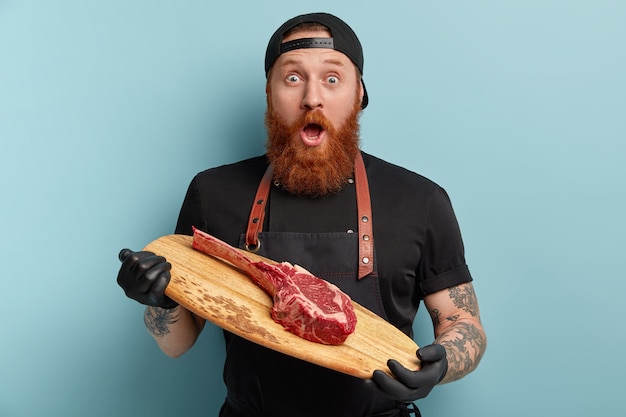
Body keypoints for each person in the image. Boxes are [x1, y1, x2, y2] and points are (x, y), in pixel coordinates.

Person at [117, 12, 487, 417]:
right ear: (269, 93)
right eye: (293, 78)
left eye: (332, 78)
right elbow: (177, 343)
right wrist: (158, 302)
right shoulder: (213, 193)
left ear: (359, 93)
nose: (313, 97)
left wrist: (442, 364)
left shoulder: (420, 199)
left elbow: (462, 324)